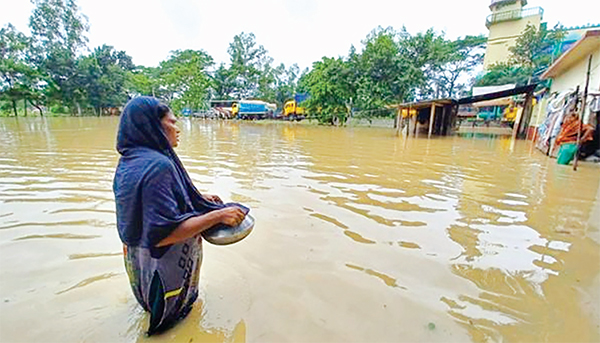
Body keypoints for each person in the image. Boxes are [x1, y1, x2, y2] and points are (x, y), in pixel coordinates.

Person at [113, 96, 247, 335]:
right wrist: (217, 217)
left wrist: (198, 198)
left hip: (137, 259)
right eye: (171, 122)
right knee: (170, 322)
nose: (177, 128)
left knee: (150, 306)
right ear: (154, 126)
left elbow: (146, 205)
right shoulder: (158, 166)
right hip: (163, 264)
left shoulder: (130, 160)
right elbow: (161, 234)